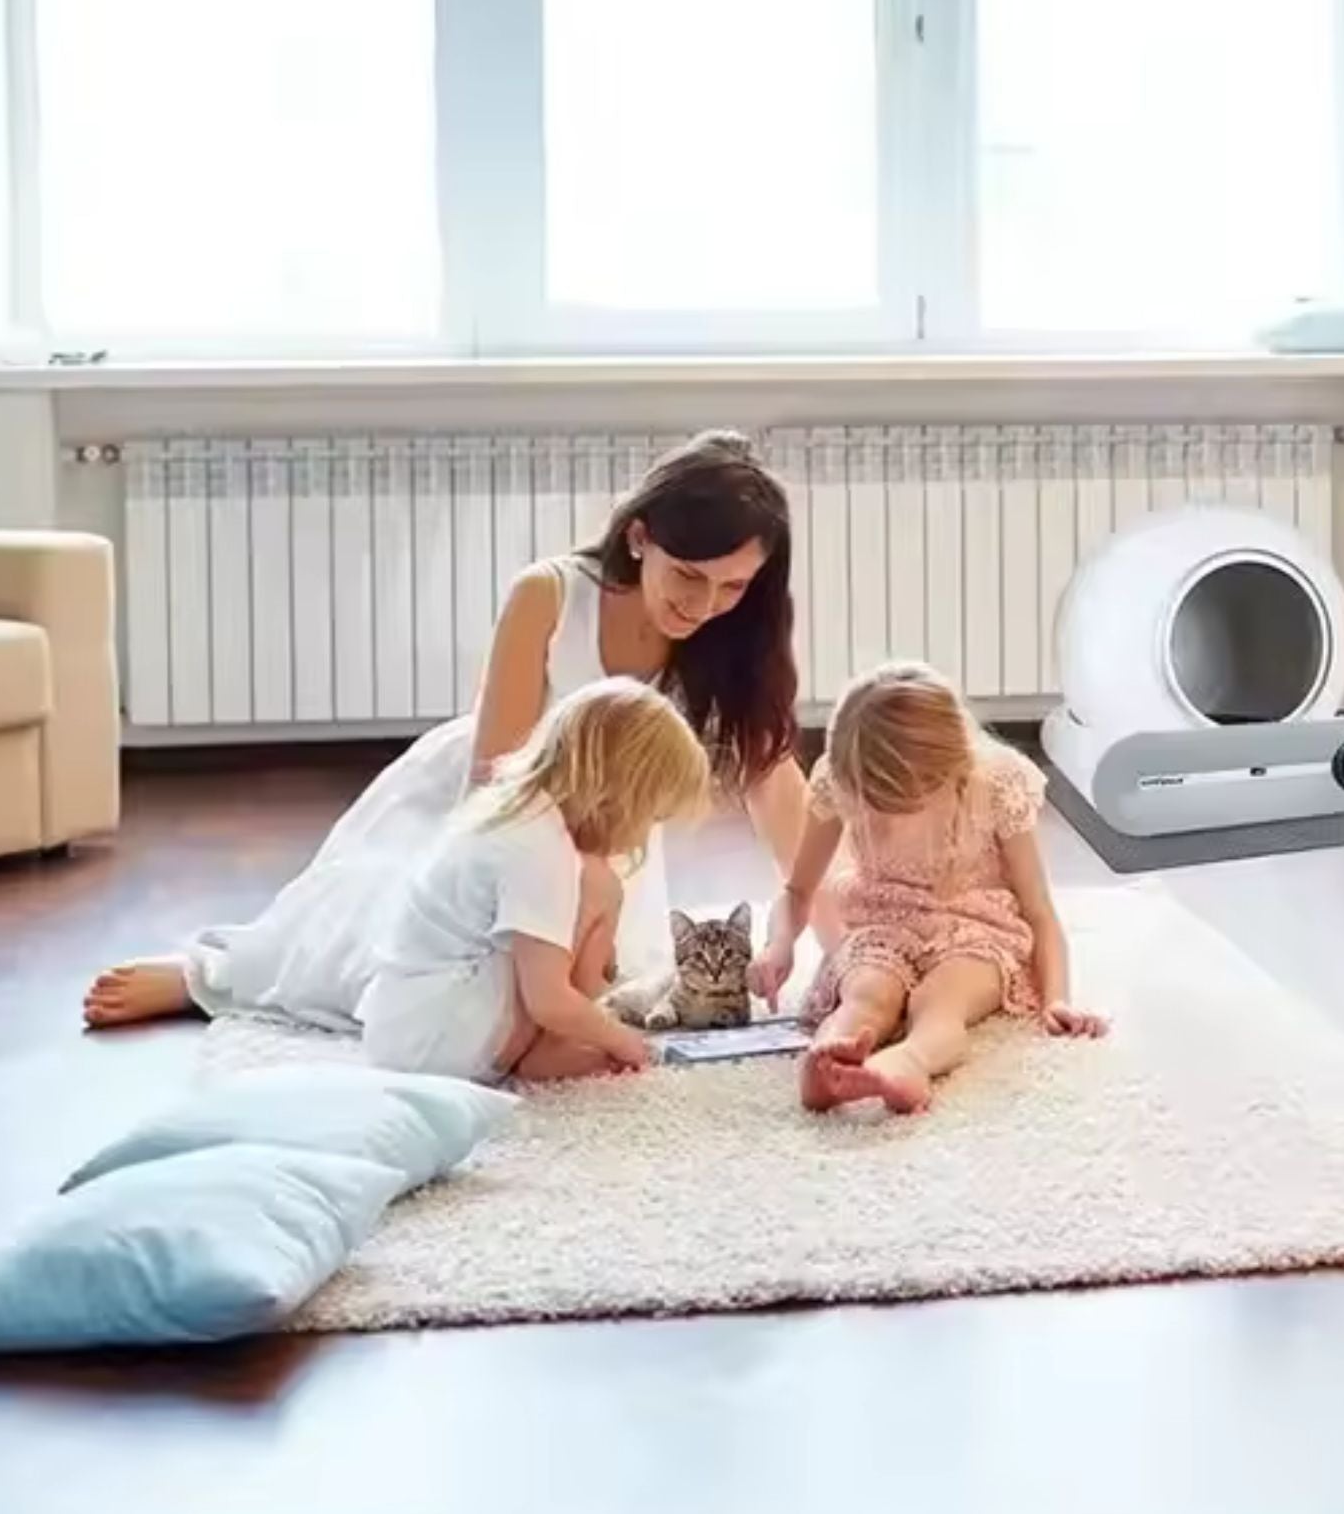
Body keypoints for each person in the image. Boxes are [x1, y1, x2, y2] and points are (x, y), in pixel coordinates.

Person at [82, 431, 809, 1031]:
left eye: (733, 586)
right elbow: (498, 776)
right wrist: (553, 883)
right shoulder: (550, 596)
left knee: (595, 990)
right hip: (500, 811)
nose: (706, 603)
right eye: (688, 576)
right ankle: (207, 974)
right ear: (641, 537)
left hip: (609, 841)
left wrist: (834, 919)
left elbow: (782, 797)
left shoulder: (732, 637)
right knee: (396, 971)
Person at [748, 661, 1107, 1116]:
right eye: (873, 802)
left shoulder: (997, 783)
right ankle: (829, 1060)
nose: (880, 813)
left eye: (895, 802)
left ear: (948, 767)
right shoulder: (844, 775)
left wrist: (1057, 998)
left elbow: (1039, 909)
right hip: (881, 922)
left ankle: (908, 1062)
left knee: (939, 1002)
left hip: (978, 929)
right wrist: (777, 945)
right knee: (867, 992)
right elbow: (798, 890)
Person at [359, 679, 709, 1083]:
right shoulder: (539, 848)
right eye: (652, 816)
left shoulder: (517, 810)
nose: (646, 835)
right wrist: (623, 1041)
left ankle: (553, 1043)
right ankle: (549, 1048)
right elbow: (548, 1001)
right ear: (618, 796)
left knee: (592, 886)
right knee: (599, 885)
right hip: (439, 1039)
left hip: (406, 1026)